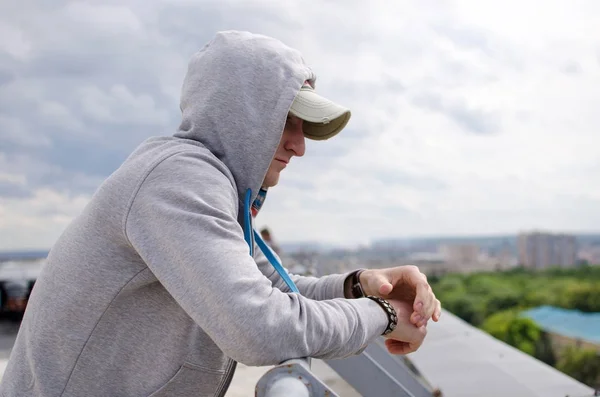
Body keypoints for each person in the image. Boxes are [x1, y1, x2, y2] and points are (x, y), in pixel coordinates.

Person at [0, 31, 441, 397]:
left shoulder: (217, 190)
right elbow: (258, 327)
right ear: (243, 115)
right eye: (287, 121)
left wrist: (360, 285)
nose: (299, 145)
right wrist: (382, 314)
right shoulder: (177, 179)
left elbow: (275, 289)